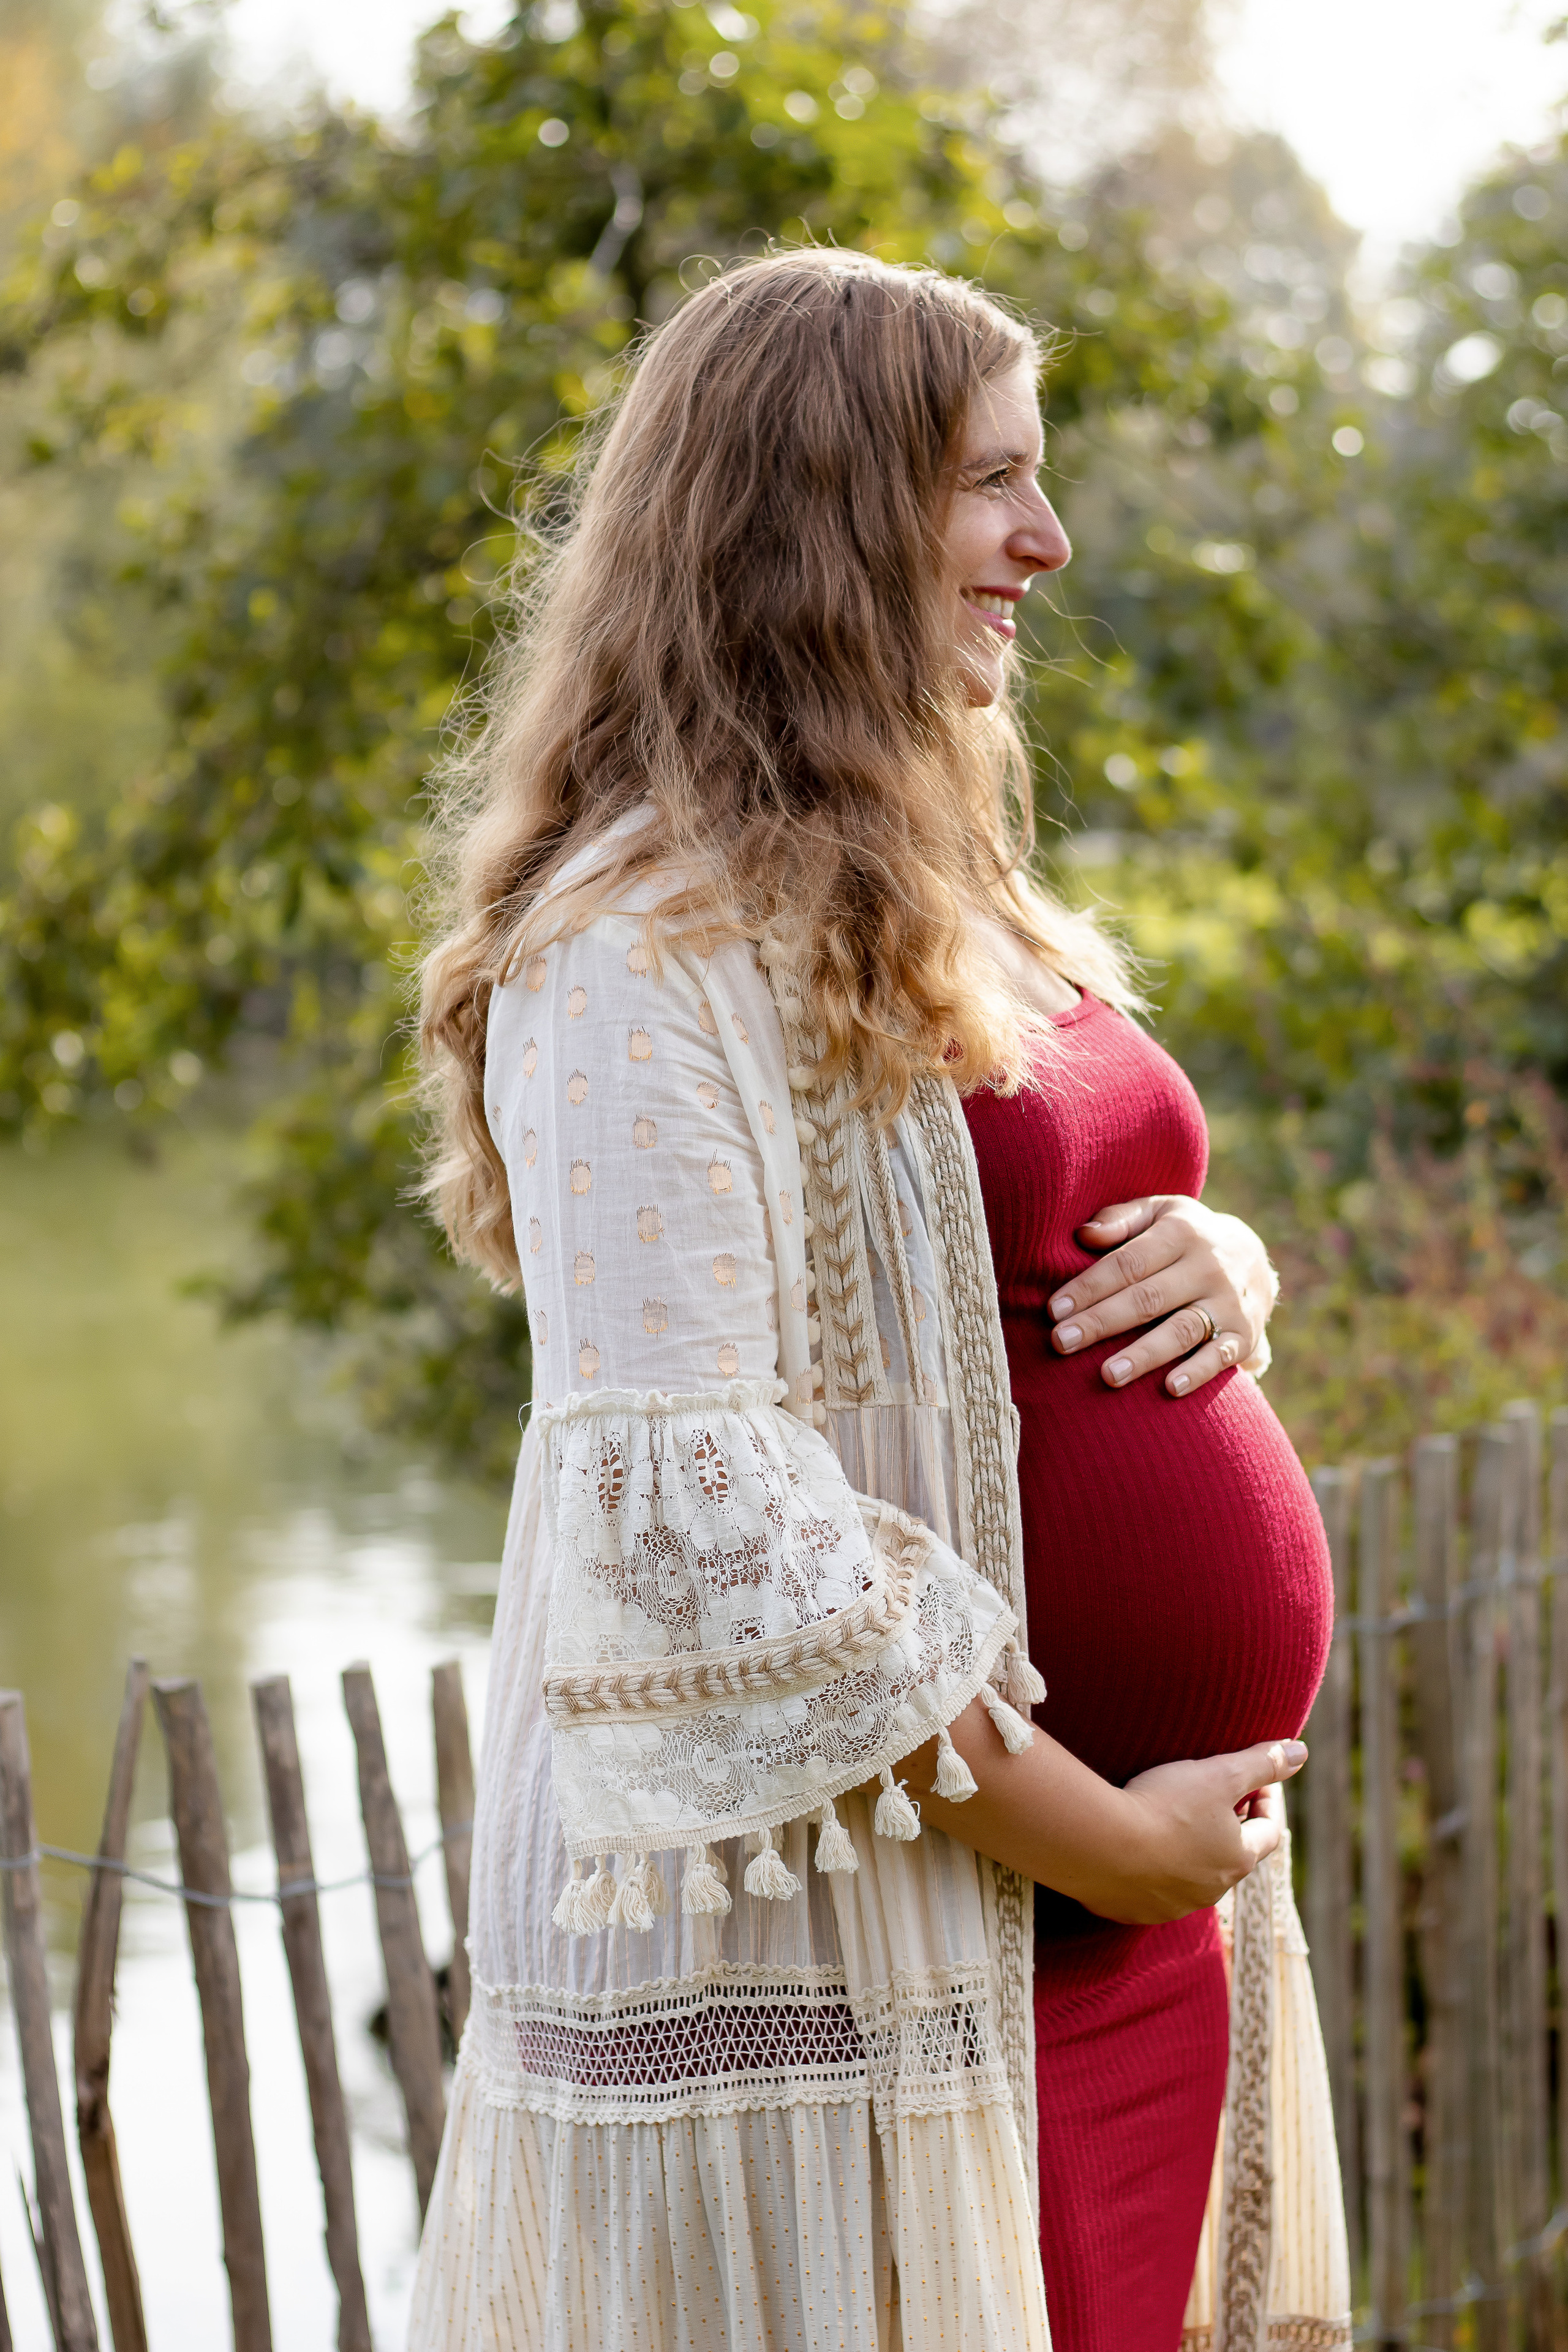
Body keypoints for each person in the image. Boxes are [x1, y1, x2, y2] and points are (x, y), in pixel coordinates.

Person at [410, 248, 1349, 2351]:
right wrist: (1098, 1831)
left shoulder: (942, 874)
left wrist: (1231, 1262)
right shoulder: (635, 939)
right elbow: (693, 1516)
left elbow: (1030, 1238)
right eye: (990, 485)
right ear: (819, 512)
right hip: (914, 1938)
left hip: (1121, 1929)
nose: (1052, 540)